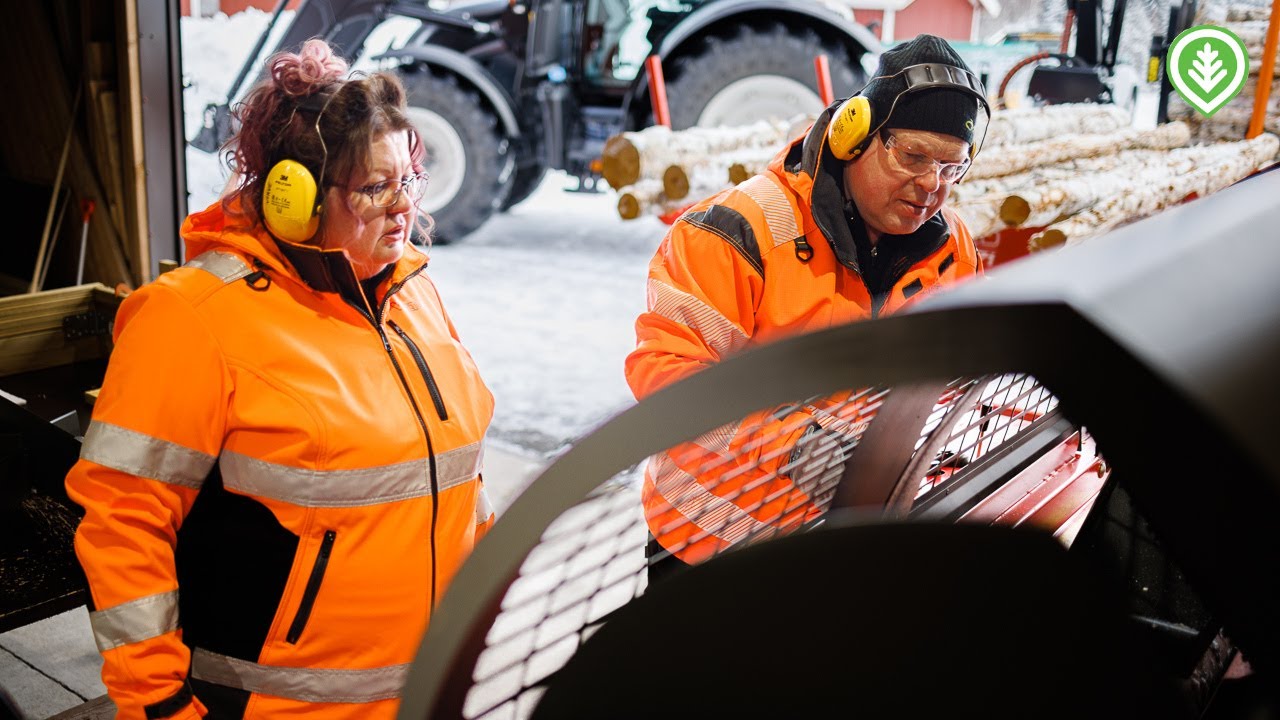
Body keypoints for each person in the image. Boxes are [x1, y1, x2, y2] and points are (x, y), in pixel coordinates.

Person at [65, 39, 494, 719]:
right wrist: (159, 702)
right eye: (373, 188)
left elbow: (453, 478)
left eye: (407, 179)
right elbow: (122, 524)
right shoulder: (193, 318)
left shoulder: (413, 295)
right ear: (292, 198)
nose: (401, 208)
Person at [624, 34, 990, 582]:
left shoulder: (949, 246)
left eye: (951, 168)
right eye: (913, 157)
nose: (930, 187)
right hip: (714, 544)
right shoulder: (735, 229)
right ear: (855, 137)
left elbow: (959, 372)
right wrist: (798, 448)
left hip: (847, 546)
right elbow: (669, 375)